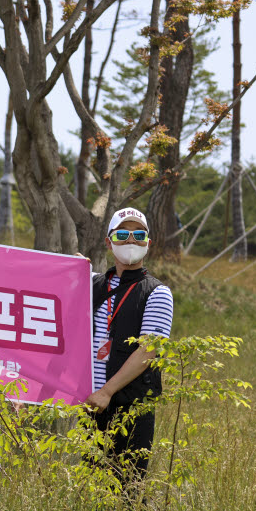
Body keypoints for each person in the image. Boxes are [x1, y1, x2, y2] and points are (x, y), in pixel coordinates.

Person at [86, 208, 173, 491]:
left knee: (127, 488)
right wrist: (69, 268)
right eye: (122, 235)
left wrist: (107, 391)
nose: (131, 241)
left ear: (148, 242)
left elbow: (148, 351)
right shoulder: (92, 283)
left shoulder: (157, 292)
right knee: (92, 486)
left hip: (131, 406)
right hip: (90, 405)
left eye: (139, 235)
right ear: (109, 243)